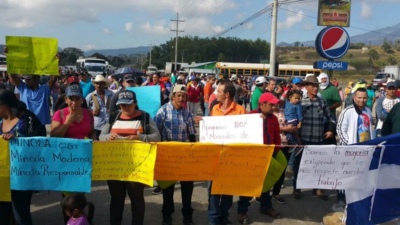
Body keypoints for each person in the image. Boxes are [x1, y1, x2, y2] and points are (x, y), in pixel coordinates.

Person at [99, 90, 160, 225]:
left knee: (137, 198)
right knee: (116, 199)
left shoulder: (144, 117)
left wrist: (139, 137)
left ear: (135, 103)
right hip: (114, 166)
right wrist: (108, 137)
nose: (126, 108)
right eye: (122, 105)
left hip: (136, 167)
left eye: (129, 104)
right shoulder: (114, 116)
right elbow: (101, 137)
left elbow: (156, 137)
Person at [0, 89, 46, 225]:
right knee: (2, 213)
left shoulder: (28, 119)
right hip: (3, 177)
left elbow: (40, 143)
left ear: (5, 106)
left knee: (20, 214)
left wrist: (19, 140)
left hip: (22, 176)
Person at [154, 85, 196, 225]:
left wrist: (194, 151)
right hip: (168, 156)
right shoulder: (163, 111)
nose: (181, 98)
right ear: (172, 96)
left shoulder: (187, 113)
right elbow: (156, 133)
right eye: (178, 95)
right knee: (168, 189)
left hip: (184, 155)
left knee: (187, 188)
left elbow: (191, 134)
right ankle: (167, 215)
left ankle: (187, 215)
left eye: (183, 96)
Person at [206, 80, 246, 225]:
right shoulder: (214, 108)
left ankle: (224, 216)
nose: (216, 93)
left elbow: (246, 132)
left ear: (227, 94)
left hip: (232, 157)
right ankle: (213, 219)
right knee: (213, 190)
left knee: (228, 189)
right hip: (215, 156)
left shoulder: (241, 110)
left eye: (219, 91)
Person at [240, 93, 282, 223]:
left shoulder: (273, 118)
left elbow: (277, 136)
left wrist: (275, 151)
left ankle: (266, 207)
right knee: (249, 185)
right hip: (253, 157)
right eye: (271, 104)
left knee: (265, 184)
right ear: (262, 104)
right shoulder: (250, 116)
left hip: (269, 155)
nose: (274, 107)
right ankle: (242, 212)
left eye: (274, 104)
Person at [293, 75, 336, 200]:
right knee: (299, 165)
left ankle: (317, 188)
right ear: (307, 87)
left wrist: (330, 130)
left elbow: (331, 117)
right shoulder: (300, 101)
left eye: (316, 86)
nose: (315, 88)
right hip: (302, 138)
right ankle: (297, 188)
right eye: (312, 86)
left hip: (318, 139)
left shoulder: (321, 101)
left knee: (317, 165)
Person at [336, 88, 374, 210]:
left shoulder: (368, 111)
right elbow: (340, 130)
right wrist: (349, 146)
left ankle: (357, 198)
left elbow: (369, 129)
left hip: (365, 151)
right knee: (345, 175)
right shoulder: (347, 111)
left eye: (364, 98)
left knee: (361, 175)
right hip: (349, 150)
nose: (362, 100)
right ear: (354, 97)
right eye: (359, 97)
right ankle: (341, 199)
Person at [86, 75, 114, 139]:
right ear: (95, 85)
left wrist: (113, 110)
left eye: (100, 83)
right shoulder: (90, 96)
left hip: (109, 124)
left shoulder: (111, 94)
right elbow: (85, 109)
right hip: (96, 125)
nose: (99, 85)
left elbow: (117, 106)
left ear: (104, 84)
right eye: (97, 83)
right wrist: (91, 112)